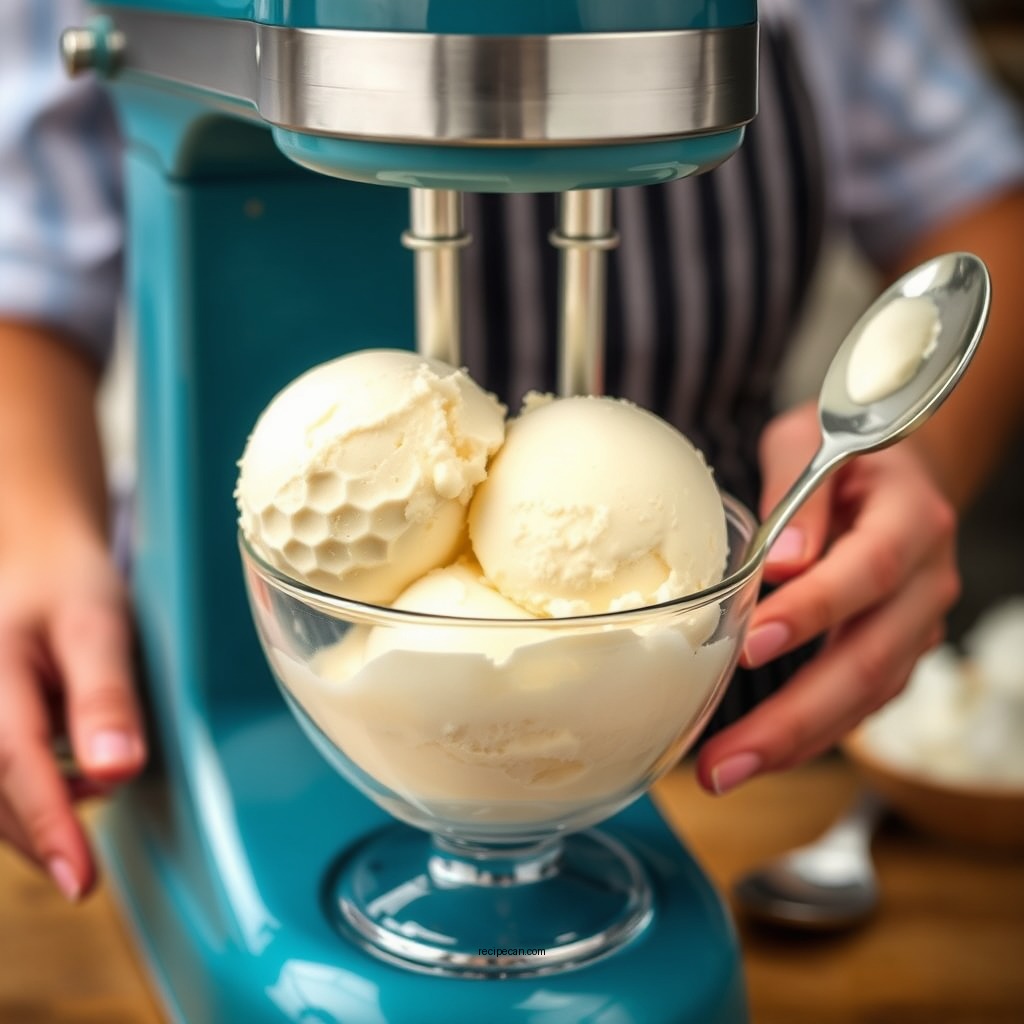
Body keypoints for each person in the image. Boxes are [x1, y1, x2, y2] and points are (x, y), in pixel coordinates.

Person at [2, 0, 1023, 903]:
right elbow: (24, 274)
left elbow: (982, 208)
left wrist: (913, 450)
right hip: (270, 656)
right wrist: (33, 524)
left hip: (716, 668)